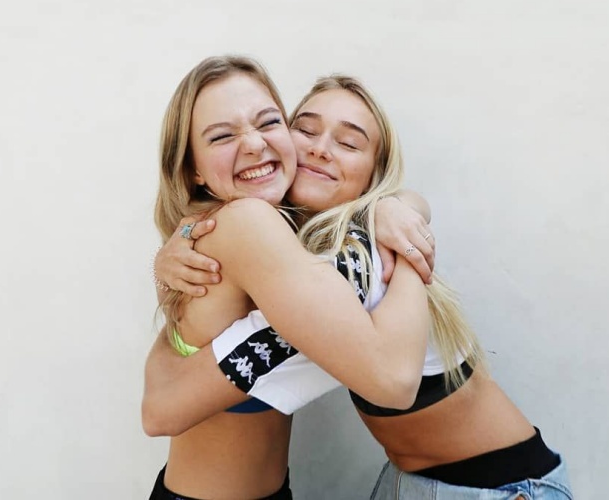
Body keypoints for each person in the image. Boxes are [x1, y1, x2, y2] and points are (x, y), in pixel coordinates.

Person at [151, 75, 575, 499]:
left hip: (504, 487)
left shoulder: (356, 261)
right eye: (306, 130)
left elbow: (161, 408)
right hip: (410, 480)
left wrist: (400, 227)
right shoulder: (291, 250)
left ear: (374, 175)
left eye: (349, 143)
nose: (320, 149)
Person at [144, 55, 435, 500]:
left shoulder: (257, 230)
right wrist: (411, 251)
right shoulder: (247, 223)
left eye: (268, 122)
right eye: (222, 135)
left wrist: (392, 205)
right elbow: (393, 383)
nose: (254, 144)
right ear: (193, 169)